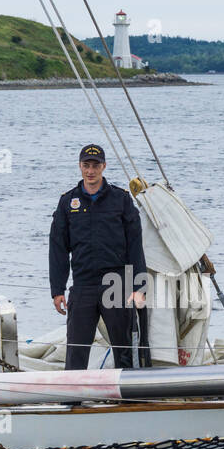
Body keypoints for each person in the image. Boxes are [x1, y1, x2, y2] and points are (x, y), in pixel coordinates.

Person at [49, 143, 147, 370]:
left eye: (95, 165)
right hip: (83, 283)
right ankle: (72, 401)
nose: (90, 171)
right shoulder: (67, 202)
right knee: (76, 348)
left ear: (104, 166)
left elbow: (135, 245)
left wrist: (138, 287)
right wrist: (57, 290)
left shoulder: (120, 199)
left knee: (124, 348)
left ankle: (129, 399)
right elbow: (58, 249)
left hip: (116, 282)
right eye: (86, 165)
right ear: (80, 166)